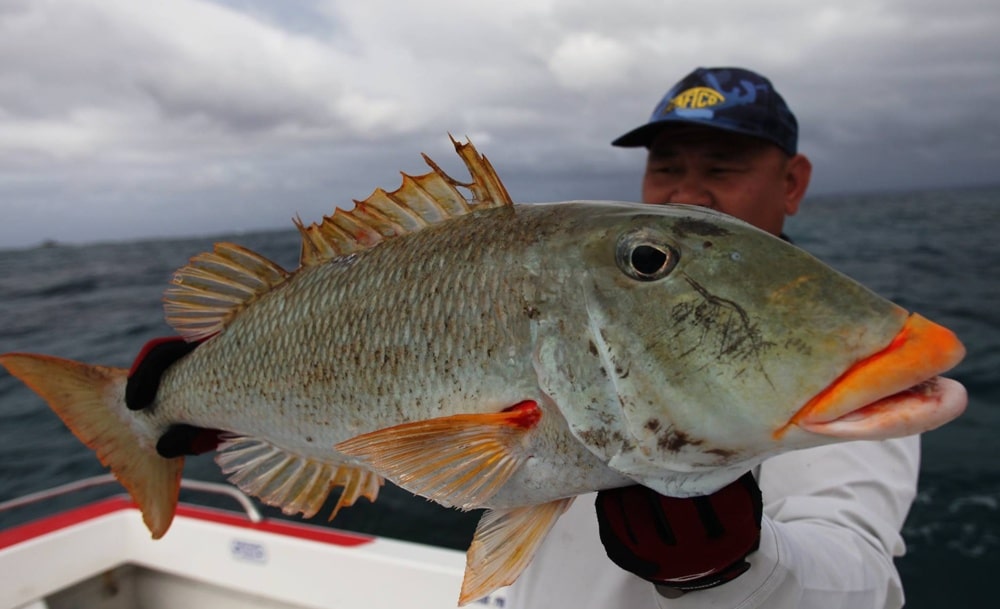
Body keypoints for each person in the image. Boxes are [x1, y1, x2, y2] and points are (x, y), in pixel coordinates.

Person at [504, 67, 920, 609]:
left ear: (791, 183)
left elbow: (858, 575)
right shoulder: (574, 297)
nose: (686, 194)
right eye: (666, 167)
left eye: (722, 167)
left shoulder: (841, 352)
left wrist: (730, 566)